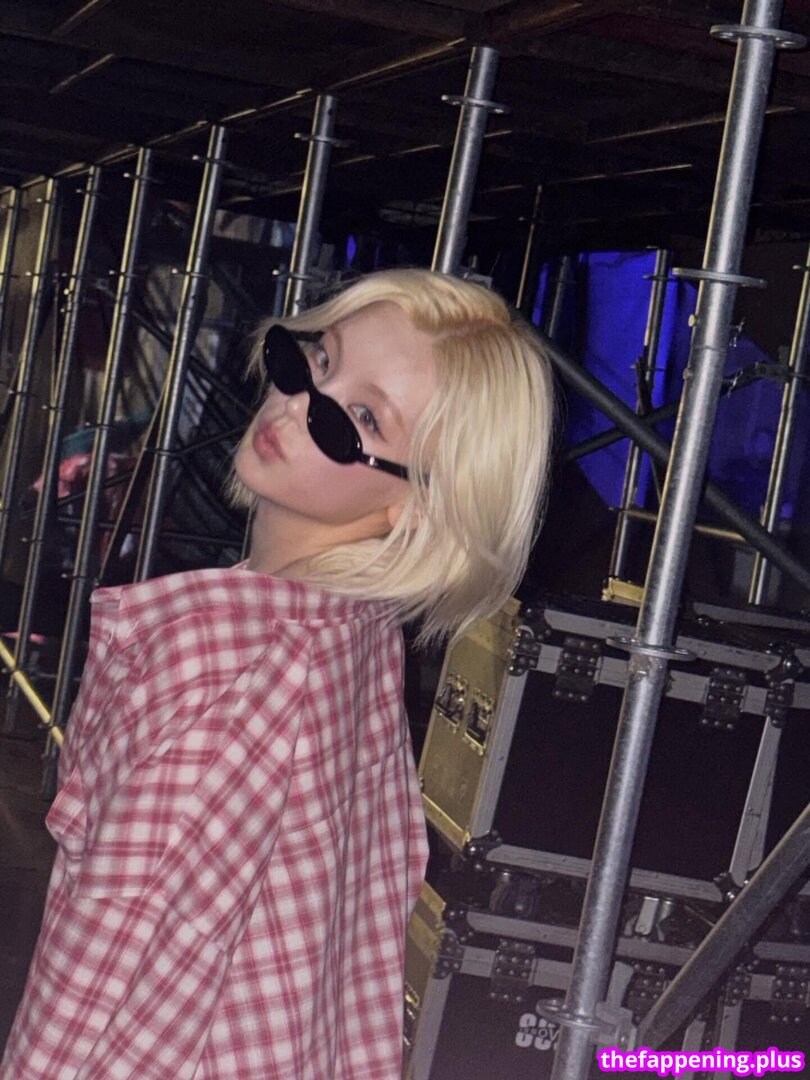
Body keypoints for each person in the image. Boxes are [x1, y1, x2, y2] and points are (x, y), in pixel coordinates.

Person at [1, 268, 554, 1079]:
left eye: (362, 418)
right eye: (317, 361)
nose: (297, 405)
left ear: (421, 504)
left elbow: (111, 949)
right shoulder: (351, 631)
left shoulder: (238, 667)